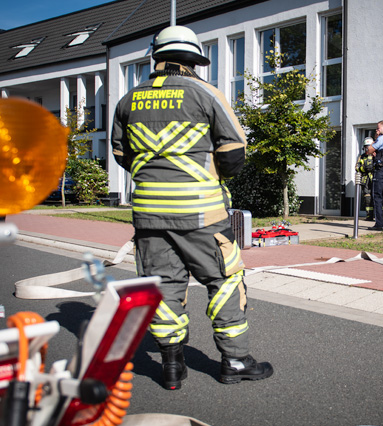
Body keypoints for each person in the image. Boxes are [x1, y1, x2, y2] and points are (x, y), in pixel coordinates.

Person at [111, 25, 273, 390]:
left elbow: (120, 153)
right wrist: (213, 176)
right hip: (202, 214)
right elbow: (233, 150)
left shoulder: (128, 100)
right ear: (192, 61)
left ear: (158, 57)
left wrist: (155, 176)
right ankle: (234, 360)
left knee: (163, 285)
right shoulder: (205, 93)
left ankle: (171, 366)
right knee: (225, 280)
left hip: (149, 215)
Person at [355, 137, 375, 221]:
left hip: (375, 178)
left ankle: (381, 215)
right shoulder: (362, 157)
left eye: (368, 146)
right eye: (365, 147)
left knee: (378, 197)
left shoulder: (376, 155)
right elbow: (357, 167)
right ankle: (369, 215)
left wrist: (373, 167)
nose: (367, 149)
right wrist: (364, 168)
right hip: (365, 179)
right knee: (367, 197)